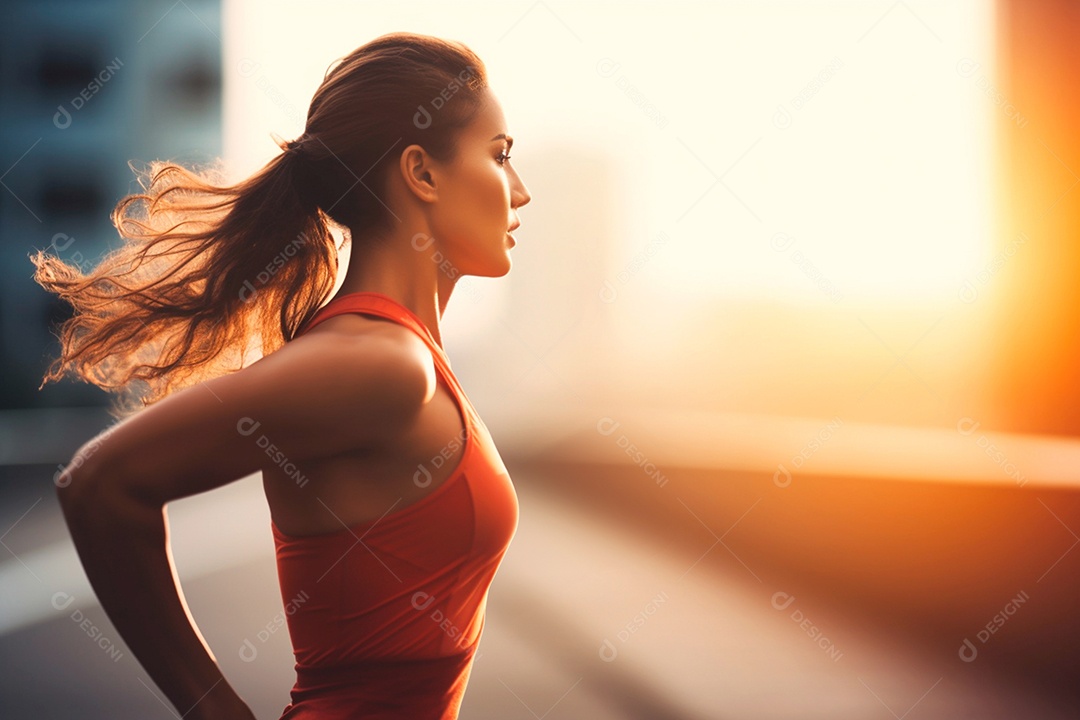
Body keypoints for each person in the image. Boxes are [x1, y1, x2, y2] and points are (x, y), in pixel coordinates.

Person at [32, 30, 531, 720]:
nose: (521, 191)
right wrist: (214, 709)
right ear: (421, 173)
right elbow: (98, 484)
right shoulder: (382, 365)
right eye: (500, 156)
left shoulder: (405, 358)